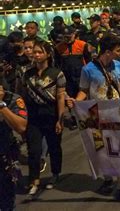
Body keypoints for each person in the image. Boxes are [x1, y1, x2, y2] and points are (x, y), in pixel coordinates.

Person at [71, 34, 120, 201]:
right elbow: (84, 90)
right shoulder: (88, 69)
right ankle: (108, 179)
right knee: (101, 148)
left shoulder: (118, 66)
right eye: (118, 50)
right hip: (96, 115)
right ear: (108, 52)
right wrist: (76, 102)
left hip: (115, 113)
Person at [24, 40, 66, 198]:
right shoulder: (27, 73)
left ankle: (55, 173)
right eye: (34, 52)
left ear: (47, 54)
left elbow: (60, 97)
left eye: (39, 52)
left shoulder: (57, 73)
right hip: (33, 118)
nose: (36, 55)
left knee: (54, 147)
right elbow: (22, 95)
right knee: (34, 150)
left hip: (51, 115)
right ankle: (34, 179)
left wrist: (60, 119)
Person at [0, 80, 27, 211]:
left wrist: (1, 105)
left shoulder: (12, 99)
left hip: (4, 155)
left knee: (6, 201)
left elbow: (21, 126)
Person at [54, 26, 90, 99]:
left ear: (74, 34)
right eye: (65, 37)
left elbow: (88, 61)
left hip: (81, 77)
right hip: (67, 79)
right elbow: (57, 64)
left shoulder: (83, 45)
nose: (67, 39)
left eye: (69, 37)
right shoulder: (58, 47)